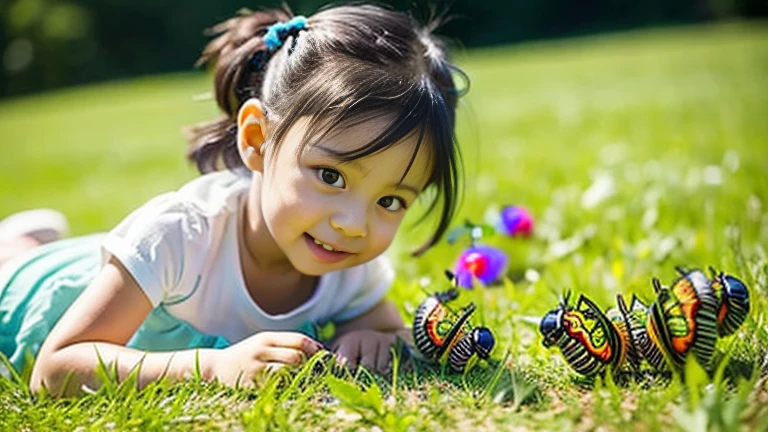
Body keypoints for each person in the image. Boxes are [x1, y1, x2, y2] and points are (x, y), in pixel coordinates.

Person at [0, 3, 465, 396]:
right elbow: (54, 369)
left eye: (390, 202)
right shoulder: (179, 236)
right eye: (330, 175)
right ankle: (18, 245)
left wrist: (372, 337)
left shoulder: (347, 262)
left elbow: (389, 329)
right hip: (30, 290)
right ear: (258, 139)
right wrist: (212, 367)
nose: (352, 223)